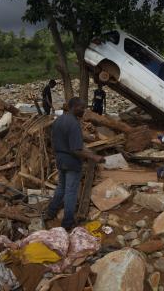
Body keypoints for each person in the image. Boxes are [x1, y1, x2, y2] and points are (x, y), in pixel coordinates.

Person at [45, 97, 105, 230]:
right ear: (73, 107)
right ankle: (67, 222)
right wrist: (94, 157)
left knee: (61, 187)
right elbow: (76, 150)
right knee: (71, 192)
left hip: (60, 159)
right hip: (71, 161)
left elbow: (59, 141)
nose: (84, 110)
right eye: (81, 107)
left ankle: (50, 212)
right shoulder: (73, 123)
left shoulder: (59, 120)